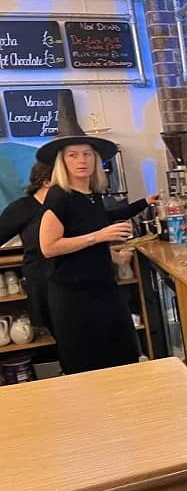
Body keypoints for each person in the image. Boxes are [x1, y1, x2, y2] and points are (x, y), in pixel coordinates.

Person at [37, 136, 156, 374]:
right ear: (62, 161)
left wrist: (111, 252)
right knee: (88, 368)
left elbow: (97, 224)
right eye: (73, 155)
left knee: (124, 356)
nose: (81, 160)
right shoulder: (59, 196)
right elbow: (48, 247)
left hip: (103, 288)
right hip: (74, 297)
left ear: (96, 159)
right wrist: (99, 236)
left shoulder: (92, 195)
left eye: (87, 154)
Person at [0, 162, 55, 331]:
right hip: (43, 282)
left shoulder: (67, 205)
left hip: (71, 281)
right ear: (46, 182)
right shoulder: (22, 208)